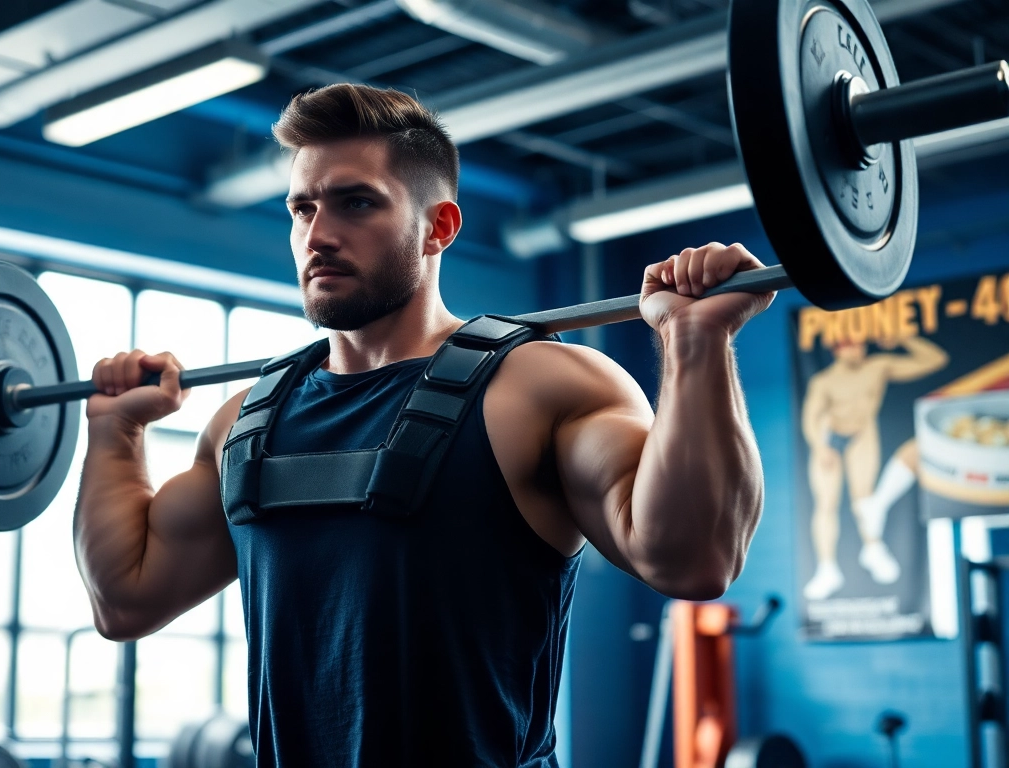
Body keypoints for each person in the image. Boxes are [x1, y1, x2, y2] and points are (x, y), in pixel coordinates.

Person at [74, 84, 771, 767]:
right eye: (302, 208)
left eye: (355, 203)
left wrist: (697, 343)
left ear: (438, 226)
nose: (318, 235)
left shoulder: (541, 387)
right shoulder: (247, 422)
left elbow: (692, 557)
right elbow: (127, 598)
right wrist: (114, 433)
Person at [800, 337, 948, 600]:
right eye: (851, 344)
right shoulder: (823, 381)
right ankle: (826, 568)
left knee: (865, 499)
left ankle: (873, 548)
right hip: (829, 437)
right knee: (825, 504)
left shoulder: (877, 366)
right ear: (837, 349)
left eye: (860, 344)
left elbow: (935, 360)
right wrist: (820, 447)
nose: (858, 349)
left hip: (861, 434)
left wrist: (907, 339)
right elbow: (811, 415)